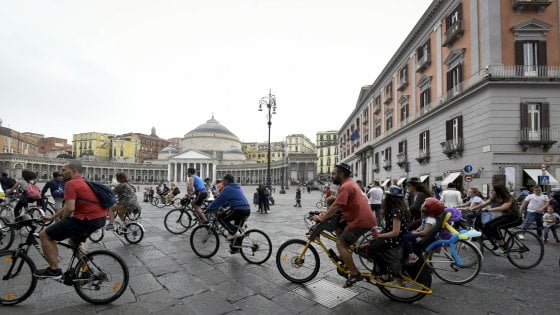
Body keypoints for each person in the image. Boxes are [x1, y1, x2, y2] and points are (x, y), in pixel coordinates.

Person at [36, 161, 107, 278]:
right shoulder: (85, 182)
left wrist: (63, 222)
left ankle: (54, 270)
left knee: (45, 235)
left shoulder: (71, 184)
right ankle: (86, 270)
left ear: (74, 171)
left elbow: (70, 209)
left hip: (86, 219)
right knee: (73, 242)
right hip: (99, 219)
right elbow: (67, 206)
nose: (61, 173)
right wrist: (53, 217)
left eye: (64, 170)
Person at [312, 163, 376, 288]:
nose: (332, 177)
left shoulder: (345, 186)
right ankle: (343, 257)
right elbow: (337, 204)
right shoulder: (350, 184)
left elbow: (336, 206)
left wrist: (322, 218)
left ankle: (355, 273)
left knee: (340, 243)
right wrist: (325, 214)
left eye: (334, 174)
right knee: (338, 229)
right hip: (362, 219)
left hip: (360, 221)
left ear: (341, 174)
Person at [361, 185, 410, 282]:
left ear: (390, 198)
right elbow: (389, 228)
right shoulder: (398, 209)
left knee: (372, 249)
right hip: (394, 238)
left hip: (395, 239)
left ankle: (385, 273)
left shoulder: (396, 211)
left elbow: (395, 232)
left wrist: (379, 235)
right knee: (372, 243)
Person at [471, 184, 522, 255]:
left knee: (495, 226)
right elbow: (483, 204)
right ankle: (496, 240)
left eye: (493, 190)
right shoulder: (495, 197)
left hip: (515, 218)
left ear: (498, 191)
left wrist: (488, 210)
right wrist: (471, 208)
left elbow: (503, 207)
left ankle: (502, 247)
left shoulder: (508, 198)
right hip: (506, 216)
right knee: (486, 225)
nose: (491, 191)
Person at [205, 174, 251, 254]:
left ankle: (234, 234)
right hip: (246, 209)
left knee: (221, 218)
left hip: (238, 209)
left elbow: (218, 201)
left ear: (226, 181)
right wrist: (224, 206)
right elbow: (228, 201)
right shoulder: (237, 186)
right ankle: (235, 248)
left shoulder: (227, 188)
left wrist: (208, 209)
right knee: (237, 229)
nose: (222, 182)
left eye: (223, 180)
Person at [405, 198, 444, 264]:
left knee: (405, 237)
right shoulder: (427, 218)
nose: (422, 205)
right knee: (405, 234)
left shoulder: (430, 220)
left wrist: (415, 233)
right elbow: (421, 227)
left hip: (421, 238)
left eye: (424, 205)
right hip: (420, 236)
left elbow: (424, 232)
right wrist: (415, 231)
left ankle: (412, 255)